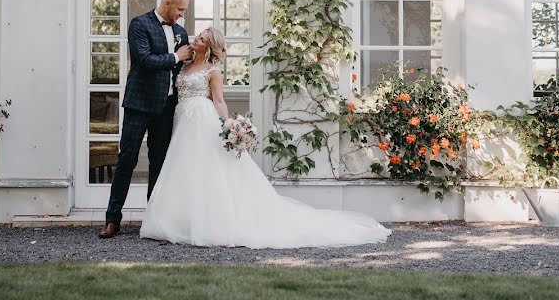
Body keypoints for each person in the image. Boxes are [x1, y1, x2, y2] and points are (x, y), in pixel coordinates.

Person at [140, 27, 391, 248]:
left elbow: (218, 101)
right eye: (198, 35)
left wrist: (229, 127)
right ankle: (181, 220)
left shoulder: (213, 71)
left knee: (207, 170)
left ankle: (210, 221)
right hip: (182, 119)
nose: (195, 39)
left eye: (202, 38)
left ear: (210, 46)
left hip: (202, 121)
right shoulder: (182, 66)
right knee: (184, 169)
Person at [98, 0, 191, 239]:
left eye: (185, 10)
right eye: (180, 9)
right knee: (126, 159)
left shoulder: (181, 32)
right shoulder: (139, 24)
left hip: (166, 107)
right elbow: (145, 60)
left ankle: (153, 220)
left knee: (158, 163)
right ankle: (112, 220)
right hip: (139, 105)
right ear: (167, 3)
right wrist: (175, 57)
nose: (182, 15)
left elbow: (183, 68)